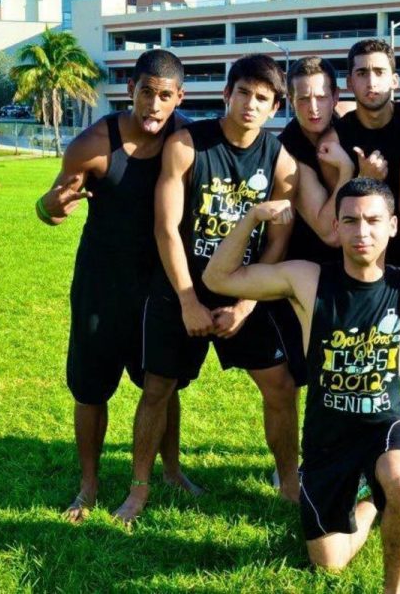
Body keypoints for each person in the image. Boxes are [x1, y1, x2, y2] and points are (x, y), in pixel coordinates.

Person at [202, 177, 400, 593]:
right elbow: (219, 278)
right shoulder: (306, 279)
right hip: (327, 434)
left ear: (393, 226)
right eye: (351, 221)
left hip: (384, 423)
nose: (362, 232)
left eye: (373, 220)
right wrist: (251, 218)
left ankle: (395, 587)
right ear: (335, 228)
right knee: (330, 562)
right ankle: (374, 503)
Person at [112, 54, 301, 523]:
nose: (250, 105)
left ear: (276, 106)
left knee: (280, 385)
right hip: (183, 286)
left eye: (262, 98)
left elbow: (278, 240)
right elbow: (166, 229)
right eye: (242, 93)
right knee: (158, 387)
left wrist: (245, 305)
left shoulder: (279, 159)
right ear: (226, 94)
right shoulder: (187, 144)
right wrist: (188, 300)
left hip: (242, 291)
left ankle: (292, 487)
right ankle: (139, 489)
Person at [33, 49, 197, 523]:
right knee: (90, 390)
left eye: (164, 95)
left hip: (160, 286)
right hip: (101, 287)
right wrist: (52, 204)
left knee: (163, 383)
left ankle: (171, 471)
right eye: (146, 92)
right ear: (131, 90)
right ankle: (88, 484)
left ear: (178, 98)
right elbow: (49, 211)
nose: (153, 104)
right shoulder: (92, 144)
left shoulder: (186, 139)